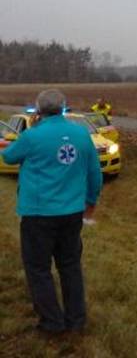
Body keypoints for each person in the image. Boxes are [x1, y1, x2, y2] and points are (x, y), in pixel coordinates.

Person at [0, 89, 103, 334]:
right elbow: (94, 173)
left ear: (38, 110)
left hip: (38, 216)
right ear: (64, 107)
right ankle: (76, 321)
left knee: (38, 269)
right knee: (70, 266)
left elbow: (9, 157)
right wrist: (90, 202)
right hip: (72, 214)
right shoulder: (81, 134)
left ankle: (52, 323)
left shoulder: (32, 135)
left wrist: (9, 142)